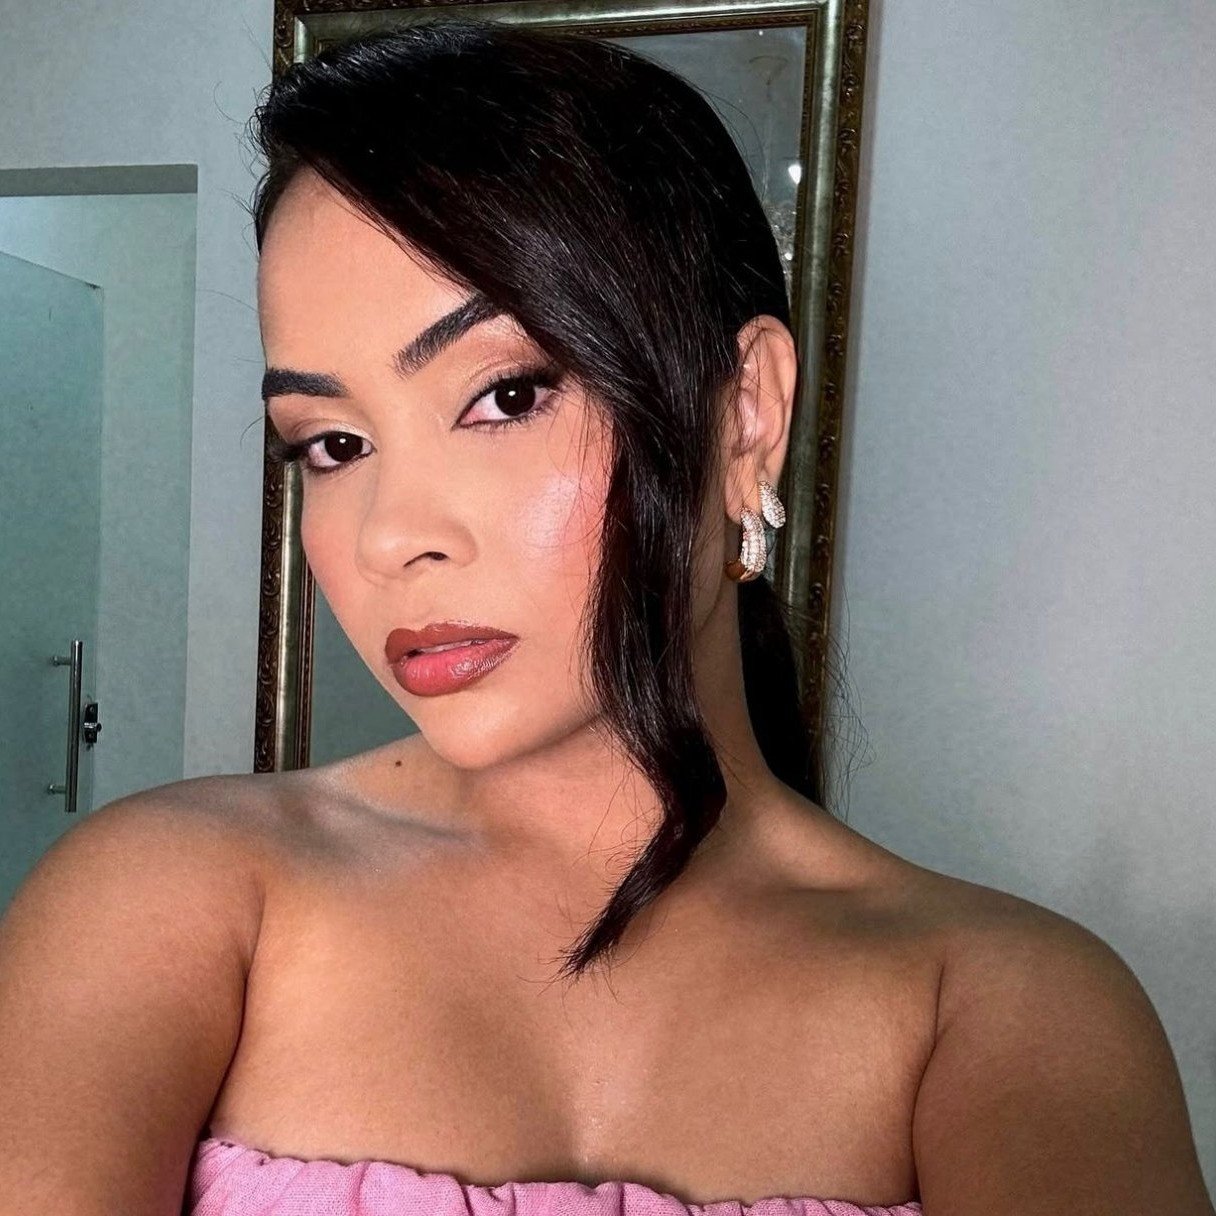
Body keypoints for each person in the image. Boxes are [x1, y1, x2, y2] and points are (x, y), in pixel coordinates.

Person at [0, 18, 1211, 1216]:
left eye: (504, 395)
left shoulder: (999, 1008)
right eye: (332, 443)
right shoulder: (170, 902)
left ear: (745, 415)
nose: (387, 536)